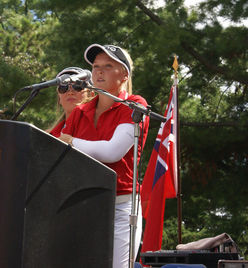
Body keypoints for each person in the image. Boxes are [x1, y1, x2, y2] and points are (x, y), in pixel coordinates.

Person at [58, 44, 150, 268]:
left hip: (122, 205)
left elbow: (113, 152)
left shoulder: (135, 105)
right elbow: (62, 157)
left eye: (108, 66)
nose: (98, 71)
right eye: (96, 66)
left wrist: (71, 142)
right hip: (83, 202)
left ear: (124, 74)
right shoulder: (80, 111)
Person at [48, 67, 94, 137]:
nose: (70, 92)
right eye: (63, 88)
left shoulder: (101, 127)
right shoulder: (48, 136)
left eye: (77, 86)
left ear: (91, 95)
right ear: (59, 98)